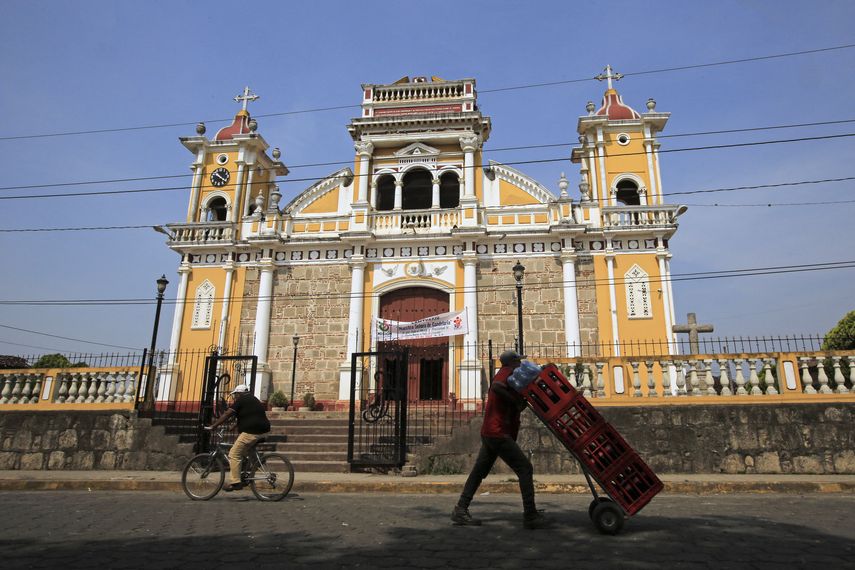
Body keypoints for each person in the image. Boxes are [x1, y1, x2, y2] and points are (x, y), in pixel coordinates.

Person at [451, 350, 549, 529]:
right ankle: (530, 514)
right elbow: (496, 387)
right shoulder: (506, 373)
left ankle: (461, 508)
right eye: (518, 361)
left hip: (492, 431)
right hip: (498, 433)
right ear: (511, 362)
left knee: (479, 472)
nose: (520, 364)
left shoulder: (511, 377)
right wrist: (514, 401)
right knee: (525, 468)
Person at [206, 384, 271, 492]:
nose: (234, 397)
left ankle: (235, 482)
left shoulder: (241, 400)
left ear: (239, 393)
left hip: (252, 432)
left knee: (234, 453)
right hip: (263, 431)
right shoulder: (253, 399)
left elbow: (227, 414)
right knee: (247, 451)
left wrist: (214, 425)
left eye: (235, 395)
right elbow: (249, 414)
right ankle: (248, 472)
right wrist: (235, 425)